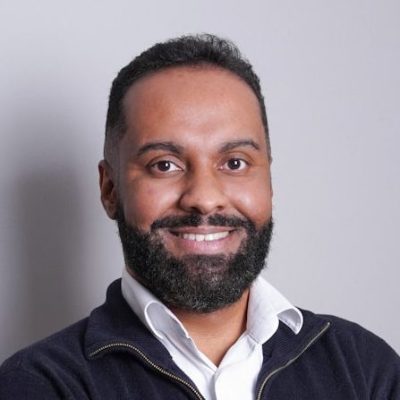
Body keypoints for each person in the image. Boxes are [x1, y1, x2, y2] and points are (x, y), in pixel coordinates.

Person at [0, 34, 399, 400]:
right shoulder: (40, 385)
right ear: (110, 189)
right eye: (164, 165)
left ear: (269, 181)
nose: (205, 200)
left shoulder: (364, 369)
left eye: (235, 162)